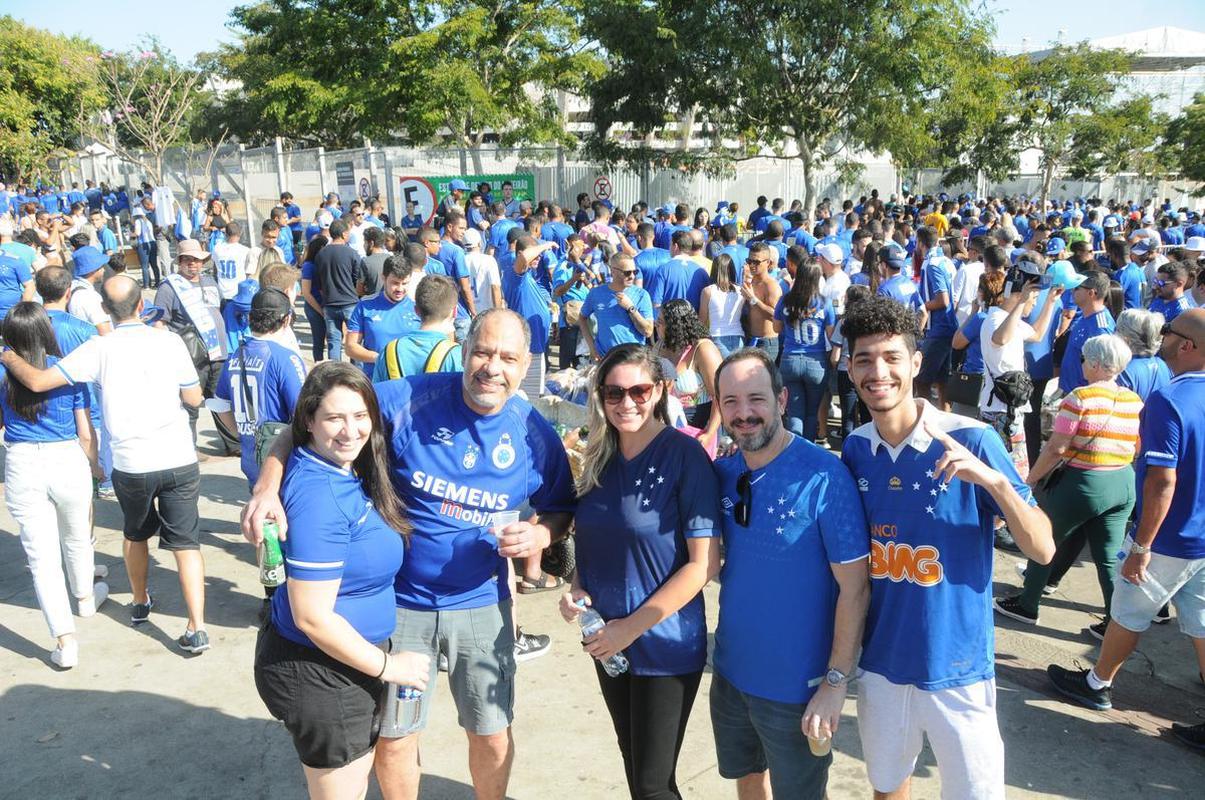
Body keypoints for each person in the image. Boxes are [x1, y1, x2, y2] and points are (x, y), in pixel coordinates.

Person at [243, 309, 575, 800]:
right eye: (482, 351)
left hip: (481, 605)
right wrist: (267, 487)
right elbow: (310, 421)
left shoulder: (533, 433)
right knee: (396, 738)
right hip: (401, 607)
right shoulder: (411, 399)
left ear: (525, 363)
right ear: (464, 351)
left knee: (491, 730)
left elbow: (561, 507)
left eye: (507, 357)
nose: (492, 367)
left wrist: (541, 536)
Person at [839, 296, 1053, 800]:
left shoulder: (971, 439)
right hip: (881, 667)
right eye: (865, 359)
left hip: (958, 669)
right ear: (849, 369)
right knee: (888, 788)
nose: (879, 372)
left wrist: (997, 485)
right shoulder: (855, 448)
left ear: (916, 363)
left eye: (892, 357)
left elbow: (1043, 548)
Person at [1, 275, 210, 650]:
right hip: (178, 457)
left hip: (131, 462)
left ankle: (140, 601)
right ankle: (197, 626)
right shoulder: (170, 341)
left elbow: (38, 381)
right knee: (186, 544)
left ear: (105, 310)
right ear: (142, 306)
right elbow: (194, 398)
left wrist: (8, 354)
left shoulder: (99, 348)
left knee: (135, 535)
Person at [253, 362, 429, 800]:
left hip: (340, 666)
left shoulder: (334, 464)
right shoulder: (321, 496)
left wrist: (266, 484)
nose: (350, 431)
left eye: (359, 416)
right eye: (334, 418)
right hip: (321, 672)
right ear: (309, 421)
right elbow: (312, 617)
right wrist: (391, 667)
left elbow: (285, 437)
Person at [560, 344, 721, 800]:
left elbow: (703, 564)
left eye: (638, 390)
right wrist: (576, 591)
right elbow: (591, 544)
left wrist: (630, 629)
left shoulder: (684, 456)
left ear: (660, 391)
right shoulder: (598, 456)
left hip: (664, 644)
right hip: (607, 644)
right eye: (614, 392)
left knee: (653, 786)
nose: (626, 402)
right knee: (637, 772)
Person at [709, 347, 870, 799]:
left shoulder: (825, 476)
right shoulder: (722, 473)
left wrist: (836, 683)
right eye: (731, 402)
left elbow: (855, 590)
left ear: (782, 401)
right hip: (730, 674)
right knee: (747, 778)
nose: (744, 414)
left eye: (756, 399)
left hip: (798, 689)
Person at [1045, 309, 1205, 730]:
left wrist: (1142, 546)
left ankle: (1097, 684)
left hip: (1171, 536)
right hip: (1202, 535)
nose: (1163, 336)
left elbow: (1161, 482)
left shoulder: (1170, 399)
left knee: (1128, 613)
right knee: (1202, 625)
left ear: (1187, 345)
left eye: (1170, 331)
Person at [997, 334, 1140, 635]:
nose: (1083, 364)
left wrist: (1031, 478)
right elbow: (1136, 444)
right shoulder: (1132, 400)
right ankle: (1116, 621)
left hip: (1084, 482)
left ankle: (1027, 603)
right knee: (1108, 555)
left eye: (1085, 359)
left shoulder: (1079, 399)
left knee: (1043, 539)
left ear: (1098, 364)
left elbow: (1056, 448)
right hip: (1122, 481)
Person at [1, 303, 105, 669]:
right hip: (67, 458)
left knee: (40, 557)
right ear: (46, 331)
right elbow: (85, 429)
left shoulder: (3, 370)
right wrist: (94, 464)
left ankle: (64, 640)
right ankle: (86, 599)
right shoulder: (67, 368)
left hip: (22, 462)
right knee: (77, 535)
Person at [210, 288, 308, 488]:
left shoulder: (236, 355)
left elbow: (219, 405)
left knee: (263, 511)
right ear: (286, 320)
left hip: (250, 456)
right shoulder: (285, 358)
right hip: (280, 458)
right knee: (281, 515)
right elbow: (303, 412)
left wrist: (241, 433)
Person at [154, 240, 238, 455]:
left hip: (218, 352)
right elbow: (160, 322)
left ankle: (234, 445)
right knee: (189, 405)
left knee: (220, 400)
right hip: (191, 357)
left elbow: (220, 310)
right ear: (179, 262)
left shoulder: (210, 281)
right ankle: (188, 448)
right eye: (188, 260)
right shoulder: (169, 287)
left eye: (197, 260)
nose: (193, 264)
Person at [773, 258, 835, 443]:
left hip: (790, 359)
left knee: (794, 411)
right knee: (811, 413)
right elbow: (831, 334)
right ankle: (808, 448)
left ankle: (795, 449)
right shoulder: (825, 303)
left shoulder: (785, 301)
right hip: (816, 361)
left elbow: (776, 329)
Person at [655, 299, 723, 451]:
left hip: (698, 429)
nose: (655, 325)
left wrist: (709, 433)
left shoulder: (703, 349)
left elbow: (720, 396)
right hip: (665, 429)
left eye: (660, 322)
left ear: (675, 325)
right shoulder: (660, 346)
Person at [373, 275, 463, 382]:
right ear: (454, 312)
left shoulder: (388, 351)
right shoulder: (456, 355)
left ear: (416, 310)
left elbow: (378, 394)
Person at [345, 255, 420, 376]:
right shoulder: (365, 306)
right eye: (395, 283)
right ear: (383, 278)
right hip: (375, 380)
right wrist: (380, 358)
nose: (400, 289)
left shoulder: (417, 308)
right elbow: (350, 347)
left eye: (405, 283)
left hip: (409, 380)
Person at [580, 253, 654, 362]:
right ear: (613, 271)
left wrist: (630, 308)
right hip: (605, 359)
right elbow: (582, 317)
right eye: (627, 272)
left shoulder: (642, 295)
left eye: (635, 272)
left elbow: (648, 331)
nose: (632, 276)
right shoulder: (596, 293)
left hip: (633, 359)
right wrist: (592, 348)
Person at [314, 219, 364, 362]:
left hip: (329, 304)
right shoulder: (352, 253)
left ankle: (334, 376)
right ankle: (357, 375)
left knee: (333, 342)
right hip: (350, 303)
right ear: (343, 234)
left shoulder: (321, 254)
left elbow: (318, 281)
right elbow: (358, 278)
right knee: (355, 342)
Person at [1059, 270, 1116, 394]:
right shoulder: (1085, 317)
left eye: (1077, 288)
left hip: (1083, 396)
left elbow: (1103, 370)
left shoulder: (1101, 327)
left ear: (1091, 293)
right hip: (1071, 392)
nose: (1072, 291)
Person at [741, 242, 783, 363]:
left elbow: (775, 316)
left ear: (768, 263)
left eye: (756, 262)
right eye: (749, 261)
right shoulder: (750, 281)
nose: (752, 265)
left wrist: (753, 299)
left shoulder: (771, 286)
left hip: (766, 343)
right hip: (751, 339)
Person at [699, 253, 745, 357]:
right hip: (738, 335)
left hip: (717, 336)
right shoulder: (740, 290)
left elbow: (702, 320)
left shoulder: (708, 291)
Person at [66, 246, 113, 335]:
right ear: (92, 270)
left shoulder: (73, 286)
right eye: (101, 266)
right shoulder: (89, 297)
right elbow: (105, 332)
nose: (104, 269)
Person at [299, 234, 329, 362]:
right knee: (318, 340)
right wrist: (320, 310)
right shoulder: (309, 266)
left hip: (322, 305)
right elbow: (306, 292)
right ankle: (318, 364)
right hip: (314, 307)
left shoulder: (320, 263)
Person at [211, 220, 253, 302]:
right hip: (239, 293)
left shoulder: (217, 249)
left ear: (225, 234)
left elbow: (215, 269)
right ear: (240, 233)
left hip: (222, 293)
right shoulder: (245, 250)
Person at [464, 228, 502, 312]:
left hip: (468, 311)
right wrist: (498, 312)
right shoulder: (489, 260)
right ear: (479, 243)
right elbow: (495, 287)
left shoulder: (461, 260)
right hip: (487, 310)